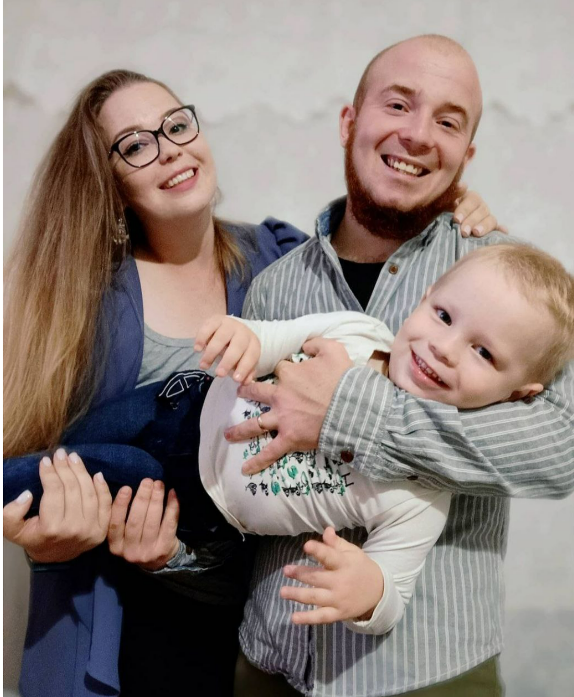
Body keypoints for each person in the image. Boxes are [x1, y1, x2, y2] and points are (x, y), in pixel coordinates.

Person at [2, 66, 496, 697]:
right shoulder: (84, 298)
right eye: (136, 144)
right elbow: (46, 461)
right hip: (122, 623)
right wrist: (48, 540)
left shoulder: (278, 260)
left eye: (177, 125)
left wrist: (450, 207)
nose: (170, 149)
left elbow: (377, 279)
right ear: (110, 182)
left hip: (242, 623)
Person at [221, 34, 574, 696]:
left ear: (465, 156)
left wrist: (348, 411)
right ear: (349, 122)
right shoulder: (275, 286)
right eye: (398, 105)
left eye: (448, 121)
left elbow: (562, 447)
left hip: (428, 671)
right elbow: (237, 453)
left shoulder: (511, 285)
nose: (417, 134)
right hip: (269, 662)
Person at [7, 243, 572, 642]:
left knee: (94, 471)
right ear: (424, 299)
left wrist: (367, 591)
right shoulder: (360, 333)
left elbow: (391, 592)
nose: (445, 348)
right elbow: (274, 337)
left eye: (483, 352)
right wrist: (243, 336)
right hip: (182, 402)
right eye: (443, 315)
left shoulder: (422, 495)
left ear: (518, 395)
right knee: (71, 441)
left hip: (197, 502)